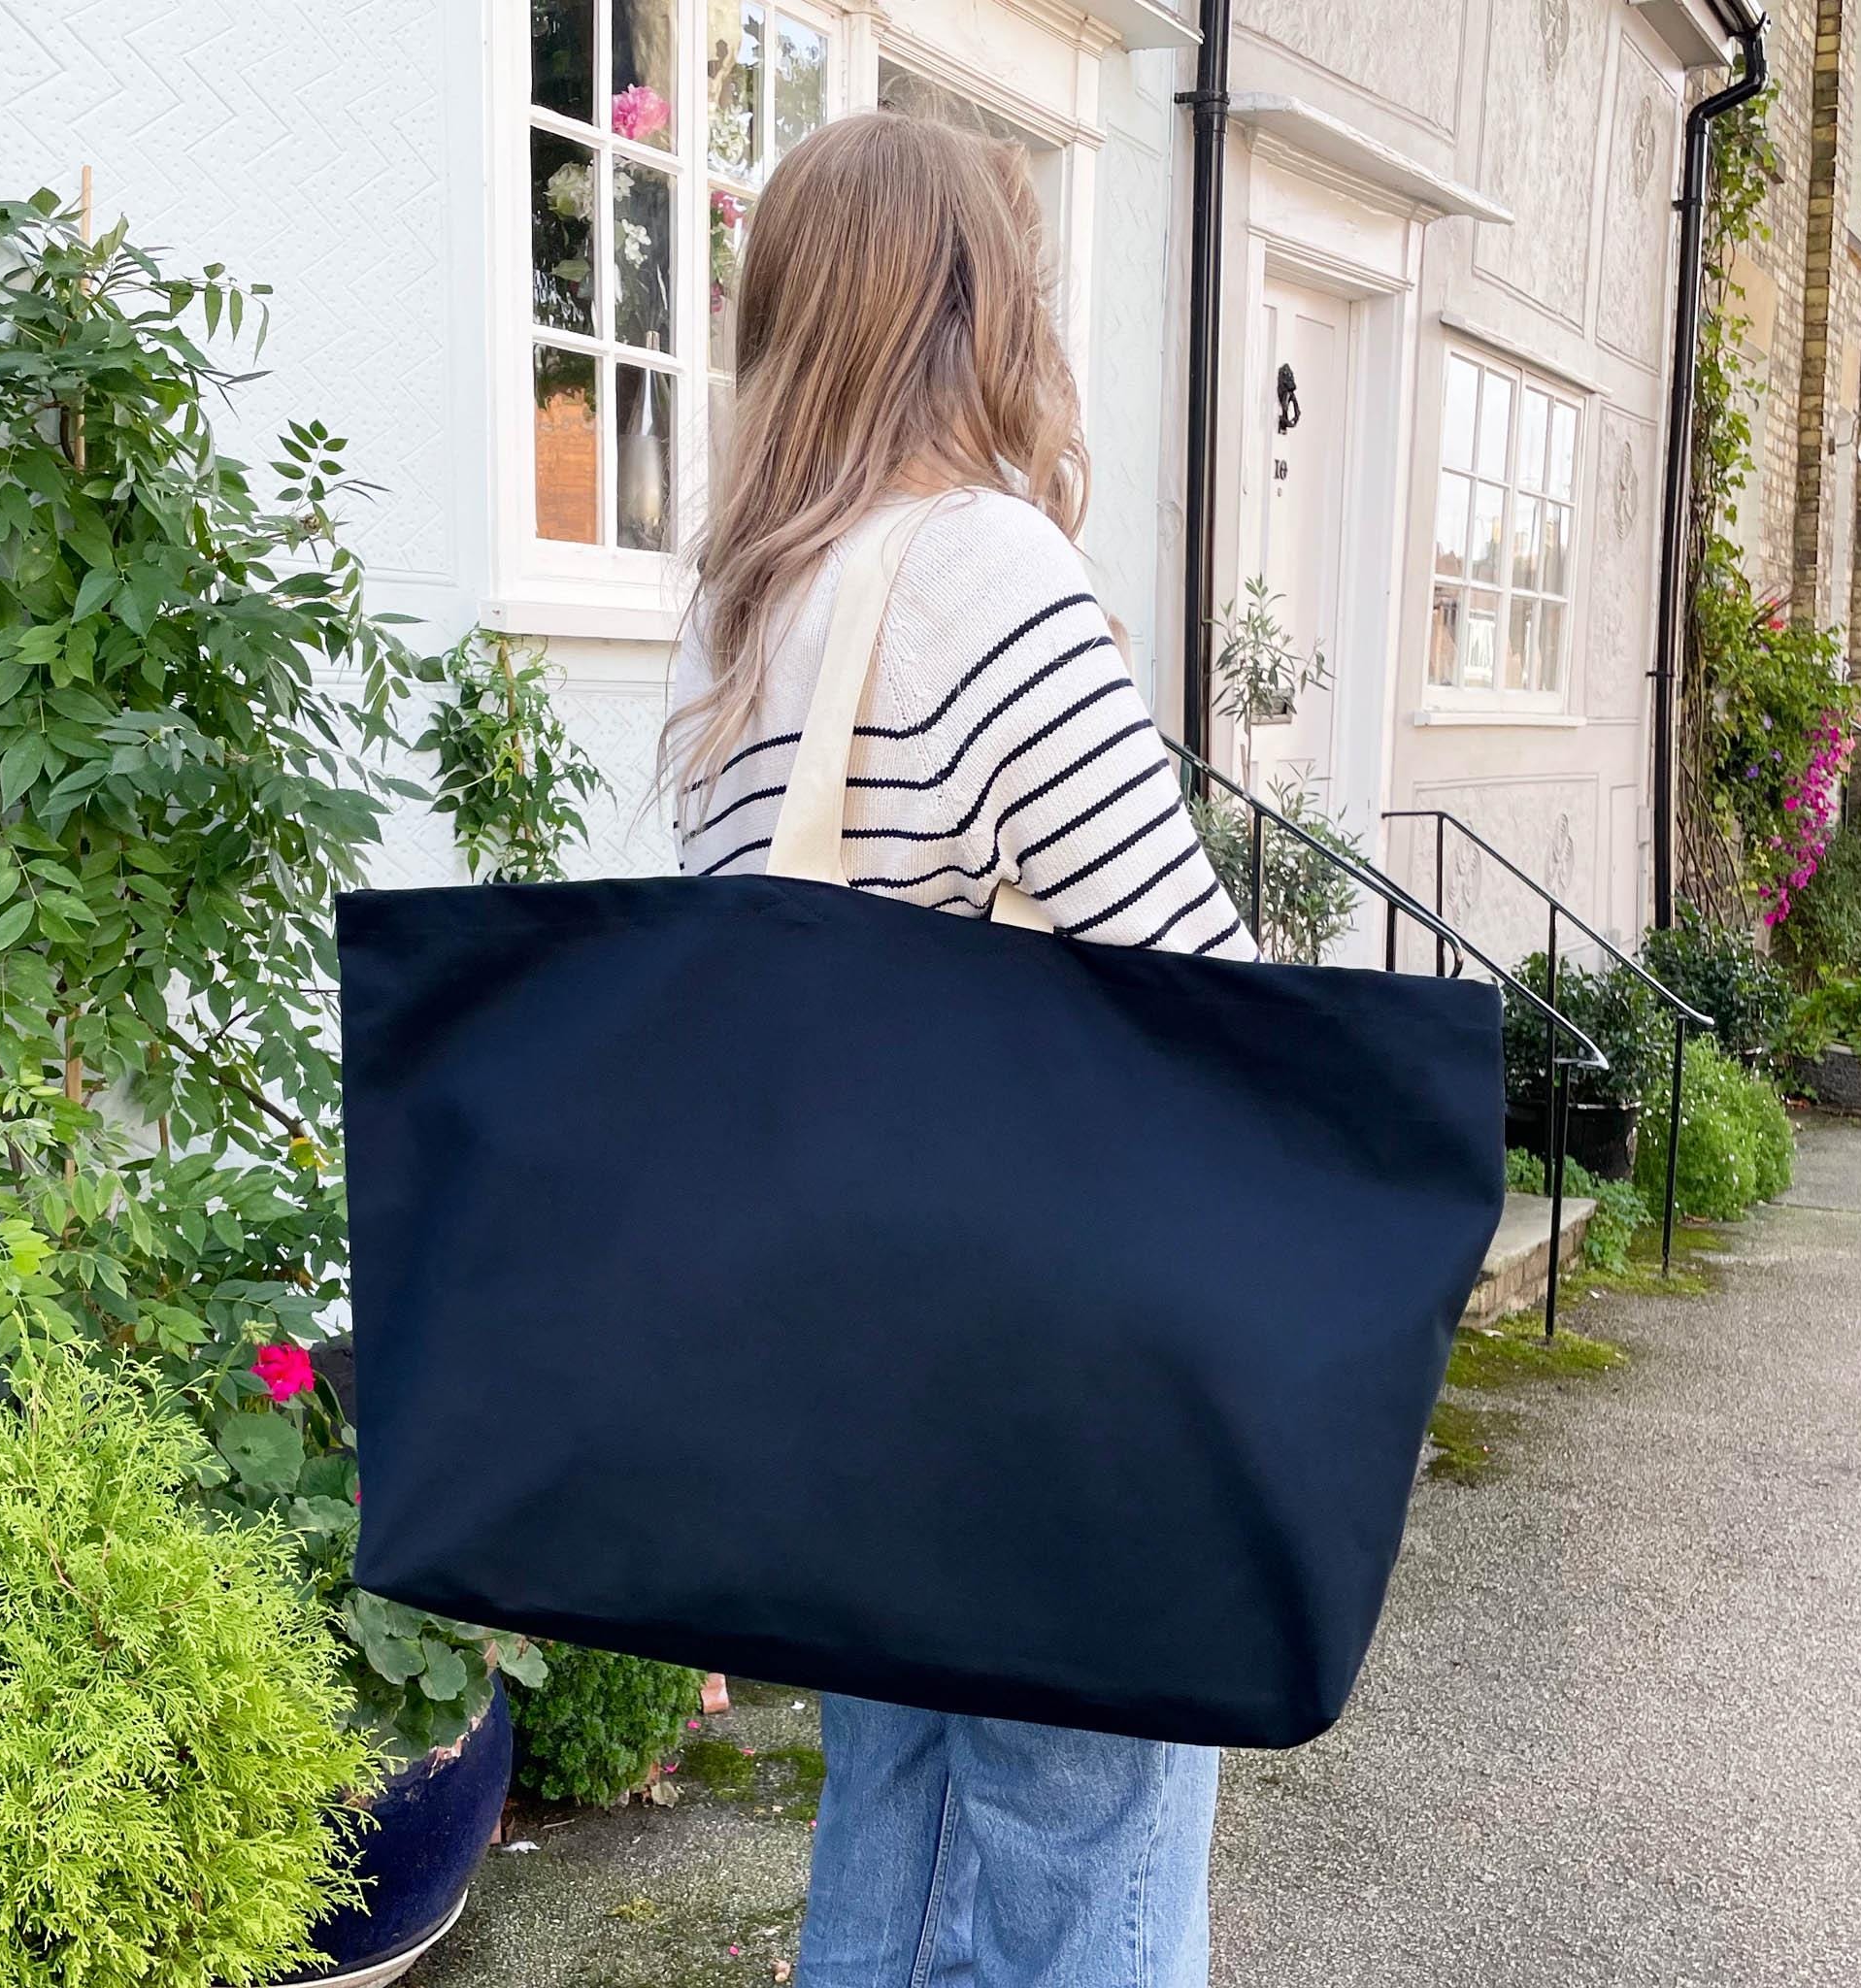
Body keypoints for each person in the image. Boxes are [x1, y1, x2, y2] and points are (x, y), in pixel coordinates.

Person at [663, 111, 1257, 1988]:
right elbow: (1200, 985)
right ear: (975, 307)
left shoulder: (744, 620)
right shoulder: (985, 568)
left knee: (900, 1843)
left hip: (856, 1367)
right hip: (1046, 1370)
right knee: (1087, 1870)